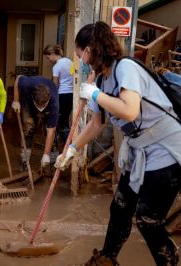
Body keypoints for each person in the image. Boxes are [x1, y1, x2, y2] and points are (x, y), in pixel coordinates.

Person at [55, 21, 181, 265]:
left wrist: (93, 93)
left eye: (80, 52)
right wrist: (71, 150)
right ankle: (107, 259)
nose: (79, 59)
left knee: (148, 219)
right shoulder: (102, 80)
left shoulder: (126, 68)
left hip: (167, 147)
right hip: (141, 148)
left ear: (90, 49)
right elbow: (96, 124)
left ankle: (169, 261)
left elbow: (130, 111)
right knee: (121, 207)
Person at [11, 75, 59, 171]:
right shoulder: (27, 84)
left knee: (53, 134)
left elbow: (51, 130)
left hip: (49, 107)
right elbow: (18, 78)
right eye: (38, 105)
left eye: (43, 105)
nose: (40, 108)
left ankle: (53, 163)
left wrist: (45, 154)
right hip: (29, 105)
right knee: (28, 128)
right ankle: (25, 161)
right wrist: (16, 100)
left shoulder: (54, 103)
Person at [44, 44, 73, 144]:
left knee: (59, 121)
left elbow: (55, 85)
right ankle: (67, 146)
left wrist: (51, 99)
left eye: (48, 58)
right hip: (71, 95)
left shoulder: (56, 66)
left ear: (52, 54)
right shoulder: (70, 62)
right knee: (65, 120)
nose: (49, 60)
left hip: (62, 95)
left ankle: (65, 146)